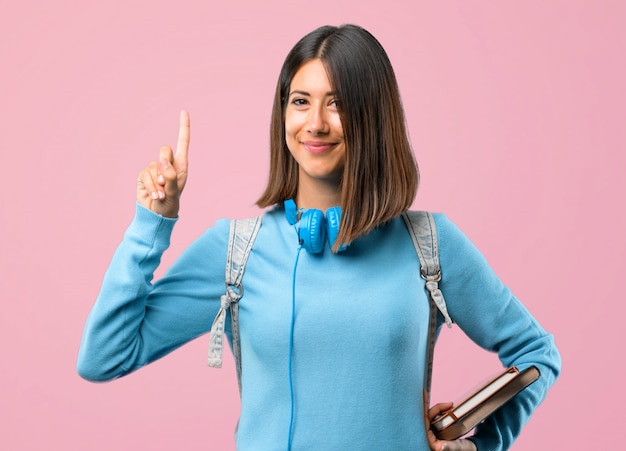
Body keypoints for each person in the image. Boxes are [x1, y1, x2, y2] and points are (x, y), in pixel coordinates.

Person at [77, 24, 561, 451]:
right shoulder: (236, 252)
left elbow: (537, 355)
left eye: (339, 104)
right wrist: (152, 222)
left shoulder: (430, 245)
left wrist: (483, 443)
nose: (316, 124)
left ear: (373, 117)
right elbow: (104, 357)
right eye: (301, 101)